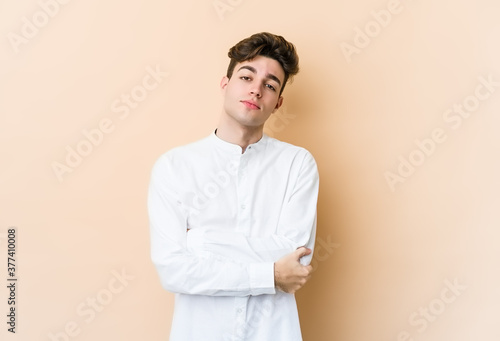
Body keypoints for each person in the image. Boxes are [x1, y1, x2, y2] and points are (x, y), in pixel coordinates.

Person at [148, 32, 319, 341]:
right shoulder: (174, 167)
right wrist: (271, 275)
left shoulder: (297, 164)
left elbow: (297, 257)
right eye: (246, 76)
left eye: (269, 85)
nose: (256, 90)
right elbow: (174, 270)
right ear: (225, 84)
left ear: (277, 102)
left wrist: (201, 242)